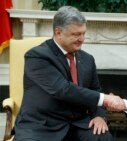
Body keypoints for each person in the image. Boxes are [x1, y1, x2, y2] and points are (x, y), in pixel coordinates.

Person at [13, 6, 119, 141]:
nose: (82, 39)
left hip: (77, 124)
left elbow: (95, 89)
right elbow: (63, 90)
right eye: (76, 34)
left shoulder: (87, 59)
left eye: (83, 33)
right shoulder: (37, 56)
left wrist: (99, 116)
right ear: (58, 32)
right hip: (42, 126)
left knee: (103, 138)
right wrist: (106, 99)